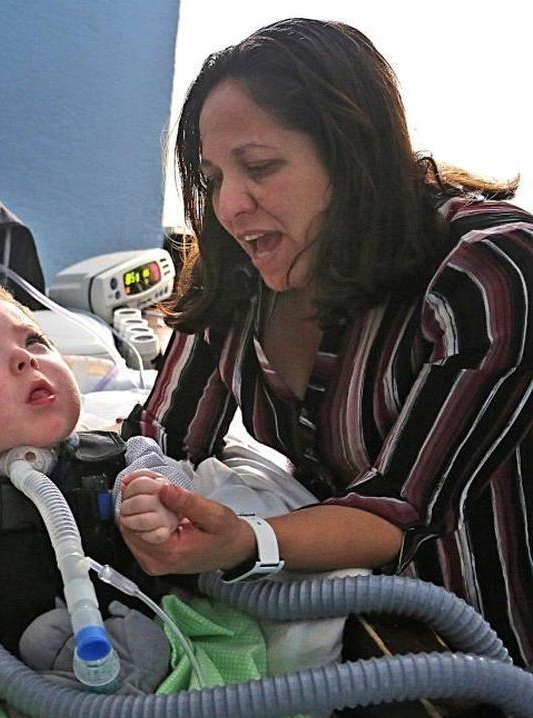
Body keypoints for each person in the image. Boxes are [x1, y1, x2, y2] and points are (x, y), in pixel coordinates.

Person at [136, 18, 533, 668]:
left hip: (491, 665)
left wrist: (246, 540)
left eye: (259, 167)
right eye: (211, 179)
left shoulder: (487, 271)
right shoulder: (241, 275)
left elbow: (400, 508)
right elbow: (157, 444)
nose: (230, 205)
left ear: (353, 153)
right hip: (349, 642)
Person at [0, 281, 284, 699]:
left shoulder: (125, 459)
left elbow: (185, 509)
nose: (25, 358)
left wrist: (160, 510)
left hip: (124, 647)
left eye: (34, 340)